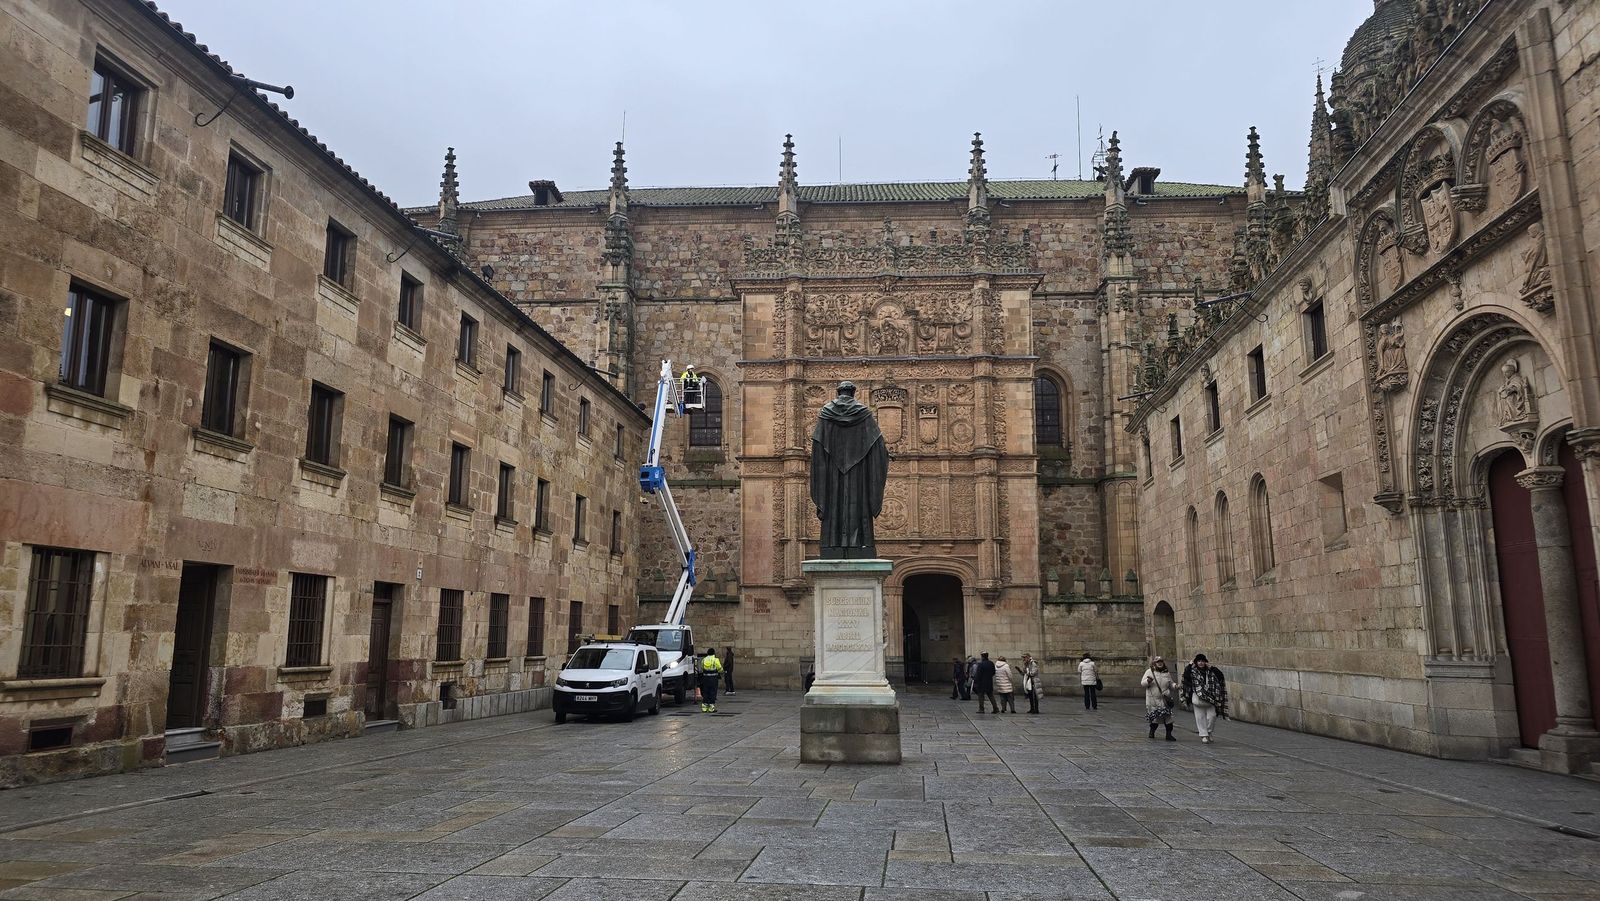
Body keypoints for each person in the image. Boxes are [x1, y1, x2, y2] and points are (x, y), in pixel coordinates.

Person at [1181, 653, 1228, 743]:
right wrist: (1189, 665)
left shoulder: (1210, 671)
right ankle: (1204, 735)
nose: (1201, 663)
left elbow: (1220, 676)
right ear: (1196, 662)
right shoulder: (1192, 671)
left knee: (1212, 716)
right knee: (1200, 717)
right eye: (1199, 661)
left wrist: (1212, 667)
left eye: (1202, 661)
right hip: (1198, 696)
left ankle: (1209, 732)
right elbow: (1186, 676)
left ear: (1205, 662)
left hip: (1210, 697)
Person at [1141, 656, 1178, 741]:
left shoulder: (1166, 673)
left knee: (1168, 719)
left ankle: (1169, 735)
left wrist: (1175, 686)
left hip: (1164, 699)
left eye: (1161, 661)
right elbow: (1142, 683)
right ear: (1155, 663)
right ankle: (1152, 732)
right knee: (1155, 719)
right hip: (1153, 700)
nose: (1160, 663)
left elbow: (1170, 684)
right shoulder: (1149, 672)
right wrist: (1148, 681)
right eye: (1158, 662)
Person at [698, 647, 724, 713]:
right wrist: (722, 671)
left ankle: (704, 708)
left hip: (705, 679)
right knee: (713, 692)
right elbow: (720, 668)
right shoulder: (715, 660)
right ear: (713, 653)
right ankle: (711, 708)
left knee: (706, 692)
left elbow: (701, 667)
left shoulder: (704, 659)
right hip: (713, 679)